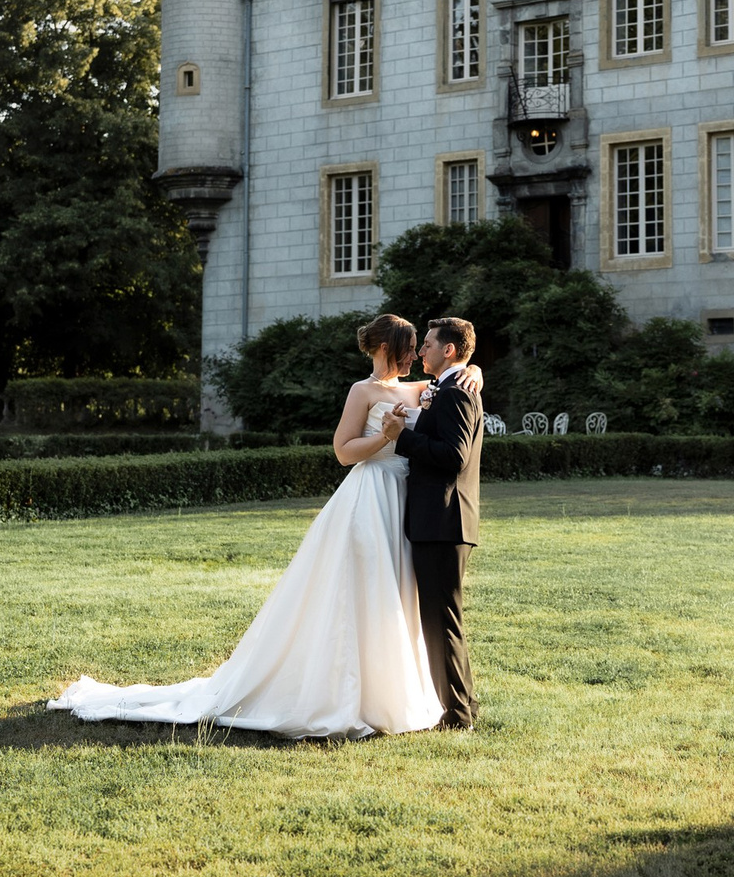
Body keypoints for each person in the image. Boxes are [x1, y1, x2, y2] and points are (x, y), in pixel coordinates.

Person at [47, 314, 481, 739]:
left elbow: (457, 381)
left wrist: (475, 370)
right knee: (359, 589)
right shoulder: (362, 391)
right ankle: (349, 692)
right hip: (371, 496)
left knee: (399, 595)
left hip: (407, 503)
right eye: (409, 349)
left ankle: (399, 689)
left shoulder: (426, 386)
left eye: (420, 349)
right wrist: (387, 437)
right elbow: (344, 452)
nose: (414, 357)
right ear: (388, 348)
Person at [392, 316, 481, 729]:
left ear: (449, 349)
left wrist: (402, 438)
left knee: (441, 622)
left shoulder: (456, 394)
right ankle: (462, 706)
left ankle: (457, 715)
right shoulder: (446, 387)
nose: (421, 350)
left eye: (428, 344)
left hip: (444, 522)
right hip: (439, 522)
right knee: (443, 620)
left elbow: (454, 456)